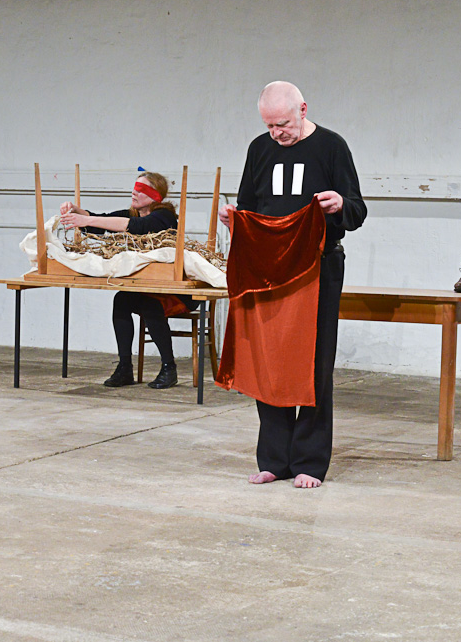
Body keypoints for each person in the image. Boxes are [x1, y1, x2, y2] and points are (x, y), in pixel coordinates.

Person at [218, 81, 366, 489]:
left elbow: (357, 210)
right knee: (270, 362)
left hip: (318, 267)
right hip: (268, 269)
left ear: (302, 109)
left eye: (282, 124)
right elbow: (249, 206)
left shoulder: (332, 146)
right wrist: (233, 220)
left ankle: (309, 462)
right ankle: (274, 459)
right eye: (269, 126)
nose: (276, 134)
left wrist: (340, 204)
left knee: (314, 362)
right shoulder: (259, 149)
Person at [59, 172, 198, 389]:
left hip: (176, 290)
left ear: (155, 195)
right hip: (149, 287)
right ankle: (124, 368)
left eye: (141, 189)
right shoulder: (132, 214)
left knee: (150, 305)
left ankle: (169, 368)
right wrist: (78, 212)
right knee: (122, 300)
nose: (134, 192)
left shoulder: (164, 216)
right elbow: (102, 222)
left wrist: (86, 219)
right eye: (135, 187)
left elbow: (137, 226)